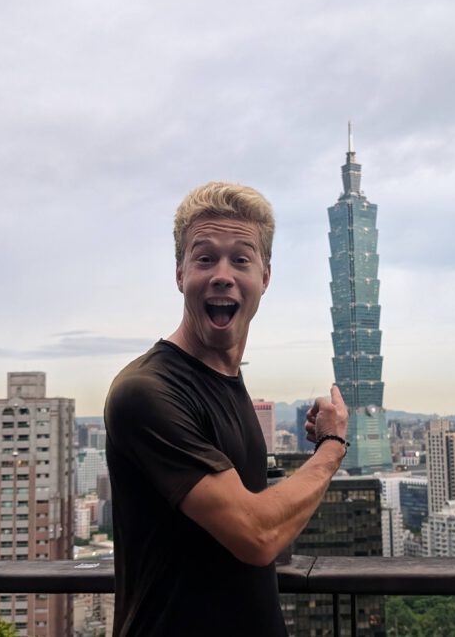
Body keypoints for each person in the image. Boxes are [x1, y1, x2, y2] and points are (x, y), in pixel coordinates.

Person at [104, 182, 349, 636]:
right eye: (204, 259)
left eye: (240, 259)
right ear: (180, 273)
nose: (222, 274)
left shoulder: (227, 382)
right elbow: (257, 535)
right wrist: (331, 447)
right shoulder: (146, 392)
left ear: (265, 277)